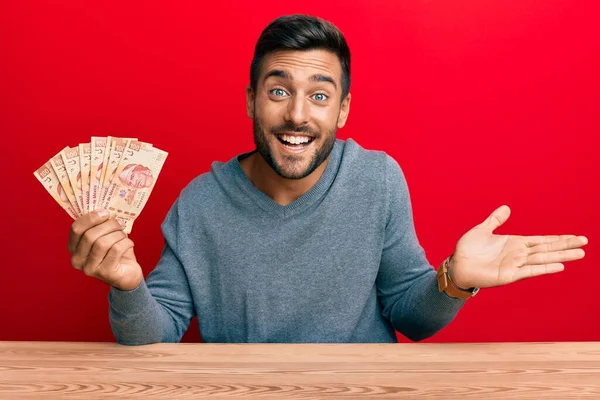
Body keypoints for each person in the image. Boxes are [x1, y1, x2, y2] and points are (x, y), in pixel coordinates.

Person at [67, 14, 588, 344]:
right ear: (251, 100)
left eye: (319, 95)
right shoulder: (200, 202)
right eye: (277, 91)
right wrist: (129, 287)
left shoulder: (378, 180)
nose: (297, 115)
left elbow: (413, 319)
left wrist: (454, 280)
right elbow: (157, 335)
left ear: (342, 110)